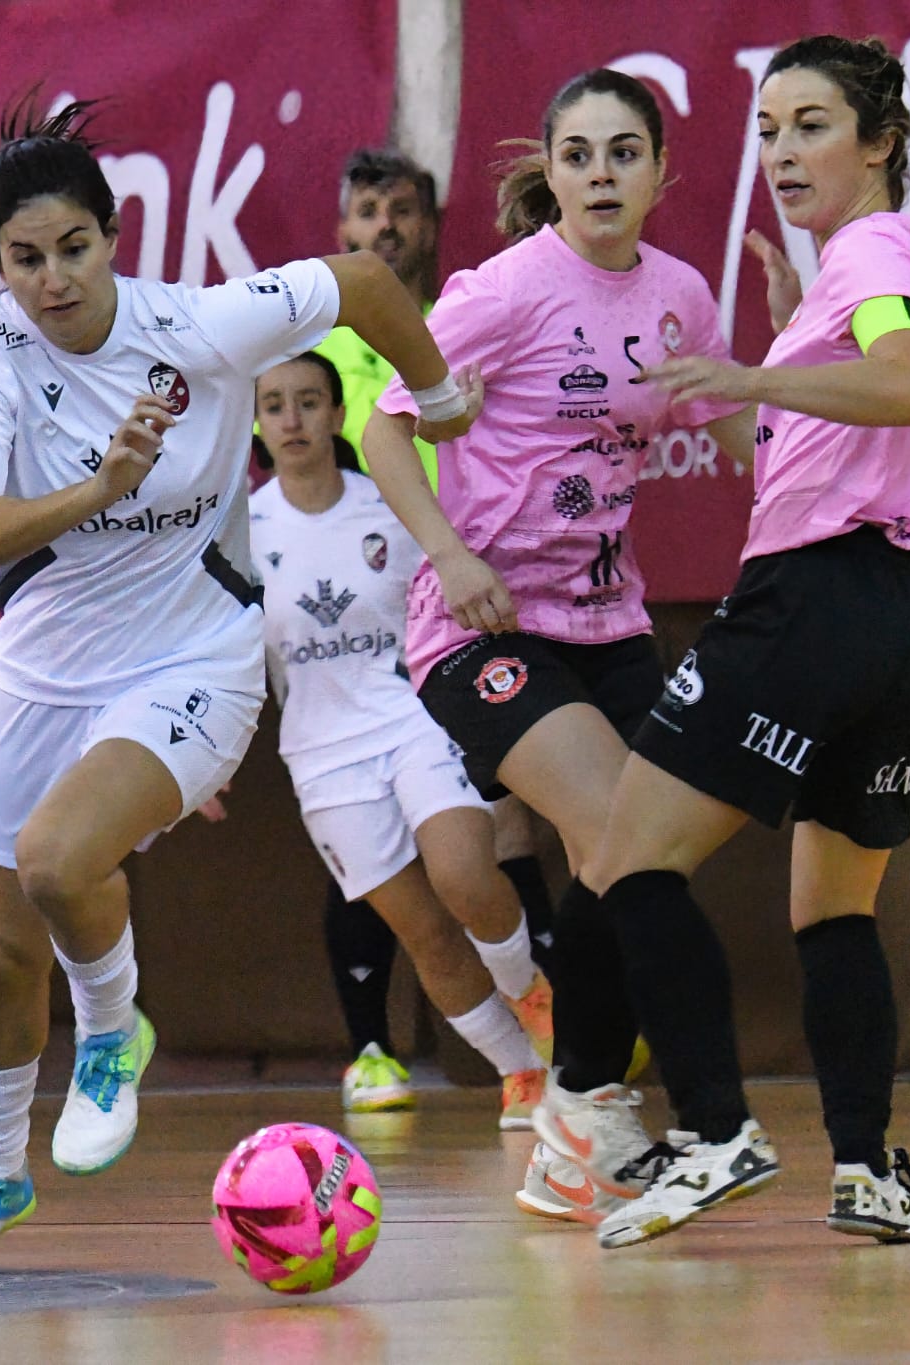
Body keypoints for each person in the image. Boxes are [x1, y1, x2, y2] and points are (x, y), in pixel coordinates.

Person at [0, 97, 475, 1278]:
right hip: (43, 662)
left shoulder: (201, 323)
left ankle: (112, 1033)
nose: (52, 279)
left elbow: (366, 285)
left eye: (73, 248)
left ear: (112, 237)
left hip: (192, 657)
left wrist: (439, 392)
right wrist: (100, 487)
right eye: (24, 259)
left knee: (61, 859)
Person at [581, 35, 910, 1249]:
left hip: (815, 602)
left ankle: (712, 1132)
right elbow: (868, 398)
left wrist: (753, 371)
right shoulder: (859, 272)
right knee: (831, 911)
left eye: (809, 124)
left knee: (624, 864)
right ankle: (868, 1173)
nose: (781, 150)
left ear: (878, 142)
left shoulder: (875, 250)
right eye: (765, 126)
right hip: (907, 620)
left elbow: (904, 385)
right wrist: (793, 344)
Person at [362, 70, 756, 1227]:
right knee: (622, 839)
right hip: (480, 627)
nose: (599, 174)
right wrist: (448, 556)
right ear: (548, 170)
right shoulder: (505, 290)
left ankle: (575, 1113)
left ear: (658, 175)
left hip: (609, 624)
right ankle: (686, 1116)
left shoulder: (679, 295)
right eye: (576, 154)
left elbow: (747, 440)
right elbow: (383, 430)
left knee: (627, 860)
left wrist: (831, 440)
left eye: (622, 153)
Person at [313, 148, 561, 1113]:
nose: (384, 229)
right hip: (357, 634)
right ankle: (372, 1047)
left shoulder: (465, 323)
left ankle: (555, 1037)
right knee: (371, 850)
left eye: (402, 211)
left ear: (430, 224)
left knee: (504, 820)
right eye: (366, 212)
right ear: (342, 232)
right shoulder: (317, 357)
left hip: (473, 603)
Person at [251, 349, 553, 1128]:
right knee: (423, 930)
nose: (292, 419)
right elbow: (218, 650)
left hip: (414, 717)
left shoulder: (384, 504)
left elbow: (455, 586)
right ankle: (521, 1072)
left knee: (463, 872)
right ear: (256, 421)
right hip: (322, 756)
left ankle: (541, 1007)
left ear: (334, 413)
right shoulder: (243, 530)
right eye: (275, 403)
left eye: (308, 401)